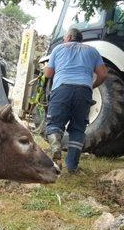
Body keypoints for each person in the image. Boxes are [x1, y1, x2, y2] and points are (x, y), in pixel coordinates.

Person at [44, 28, 108, 173]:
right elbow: (103, 74)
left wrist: (45, 69)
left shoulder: (58, 49)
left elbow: (48, 73)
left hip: (62, 89)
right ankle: (72, 167)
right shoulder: (92, 51)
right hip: (83, 91)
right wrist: (92, 86)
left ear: (68, 37)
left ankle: (55, 149)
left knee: (54, 124)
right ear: (80, 39)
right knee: (78, 128)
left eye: (64, 38)